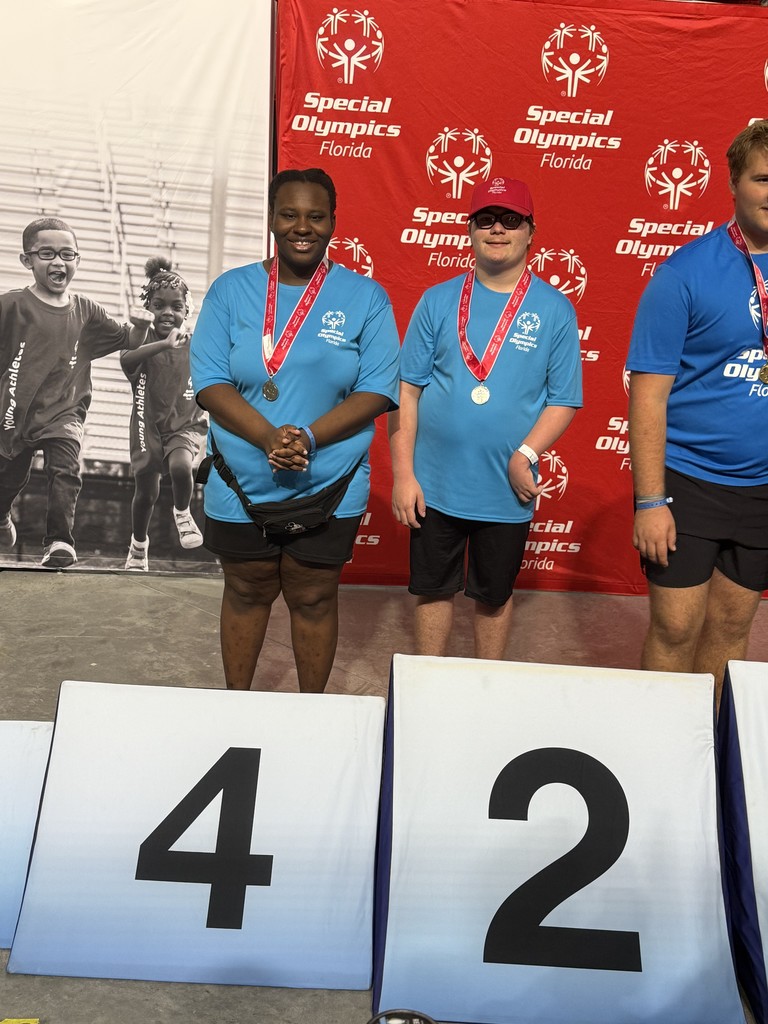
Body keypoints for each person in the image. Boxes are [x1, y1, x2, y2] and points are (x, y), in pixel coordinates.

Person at [190, 167, 400, 693]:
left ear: (333, 223)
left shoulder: (366, 297)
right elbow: (211, 382)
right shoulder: (231, 291)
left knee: (313, 595)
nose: (300, 227)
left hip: (329, 478)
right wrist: (267, 439)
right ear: (271, 219)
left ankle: (312, 716)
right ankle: (237, 707)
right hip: (240, 478)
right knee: (245, 588)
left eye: (315, 216)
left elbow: (377, 389)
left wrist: (306, 439)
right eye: (288, 214)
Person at [389, 176, 582, 659]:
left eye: (511, 220)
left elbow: (563, 400)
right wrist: (404, 474)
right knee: (432, 590)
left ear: (531, 231)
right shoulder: (437, 300)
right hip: (433, 485)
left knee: (494, 597)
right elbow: (406, 390)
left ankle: (485, 691)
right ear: (470, 230)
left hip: (505, 489)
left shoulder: (555, 310)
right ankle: (427, 689)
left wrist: (526, 454)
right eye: (486, 219)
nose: (498, 229)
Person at [627, 119, 768, 707]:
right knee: (676, 630)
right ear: (734, 182)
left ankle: (706, 759)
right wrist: (650, 500)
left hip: (762, 490)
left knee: (733, 632)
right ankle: (653, 754)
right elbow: (647, 396)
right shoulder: (683, 273)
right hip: (690, 483)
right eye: (763, 178)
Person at [0, 217, 153, 567]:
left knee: (66, 471)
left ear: (77, 260)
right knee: (9, 478)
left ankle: (58, 542)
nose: (58, 262)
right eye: (47, 253)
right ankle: (1, 513)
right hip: (14, 413)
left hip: (65, 412)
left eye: (67, 254)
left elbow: (128, 340)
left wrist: (141, 325)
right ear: (27, 260)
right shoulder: (10, 306)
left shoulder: (87, 311)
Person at [121, 257, 208, 571]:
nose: (167, 313)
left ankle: (183, 513)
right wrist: (161, 345)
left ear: (187, 310)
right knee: (145, 491)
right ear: (148, 307)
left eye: (176, 306)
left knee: (182, 468)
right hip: (147, 427)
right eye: (158, 305)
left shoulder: (197, 345)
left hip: (184, 424)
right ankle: (138, 547)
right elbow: (127, 361)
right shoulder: (140, 340)